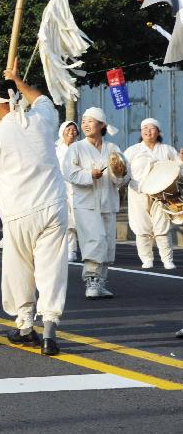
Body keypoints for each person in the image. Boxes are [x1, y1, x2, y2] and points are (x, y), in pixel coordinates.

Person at [0, 71, 68, 356]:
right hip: (53, 206)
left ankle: (25, 324)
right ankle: (49, 329)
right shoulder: (42, 121)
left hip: (19, 213)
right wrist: (17, 79)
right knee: (52, 268)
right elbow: (42, 100)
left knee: (19, 270)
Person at [62, 107, 129, 300]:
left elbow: (124, 176)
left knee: (107, 242)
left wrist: (119, 173)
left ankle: (100, 282)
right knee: (95, 240)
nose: (85, 125)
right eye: (83, 121)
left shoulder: (113, 149)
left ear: (101, 125)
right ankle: (91, 280)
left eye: (90, 121)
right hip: (86, 203)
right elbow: (69, 172)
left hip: (108, 201)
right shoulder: (76, 148)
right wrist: (89, 175)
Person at [124, 118, 183, 269]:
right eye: (144, 128)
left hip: (161, 195)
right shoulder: (132, 151)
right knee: (141, 228)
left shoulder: (167, 150)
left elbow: (178, 170)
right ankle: (146, 259)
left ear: (158, 132)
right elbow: (122, 173)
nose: (148, 131)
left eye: (152, 128)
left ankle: (167, 259)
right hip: (138, 193)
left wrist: (181, 161)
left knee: (162, 228)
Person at [56, 122, 80, 262]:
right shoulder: (55, 149)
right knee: (66, 221)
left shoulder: (81, 147)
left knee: (81, 221)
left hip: (79, 188)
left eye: (74, 129)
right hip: (61, 188)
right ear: (62, 131)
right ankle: (71, 250)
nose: (71, 131)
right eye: (68, 129)